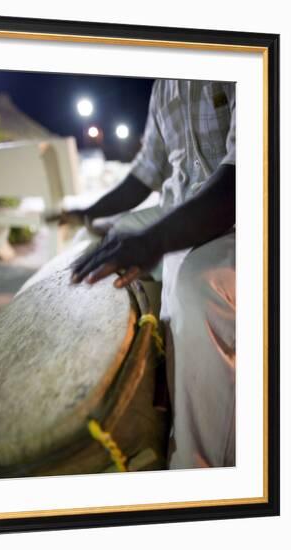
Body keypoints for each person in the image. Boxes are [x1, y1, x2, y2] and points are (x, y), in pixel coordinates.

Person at [53, 79, 236, 469]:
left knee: (198, 286)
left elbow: (246, 178)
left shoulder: (247, 59)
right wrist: (88, 214)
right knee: (118, 235)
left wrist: (153, 241)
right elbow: (145, 174)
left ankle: (201, 470)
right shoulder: (163, 87)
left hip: (252, 216)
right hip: (182, 207)